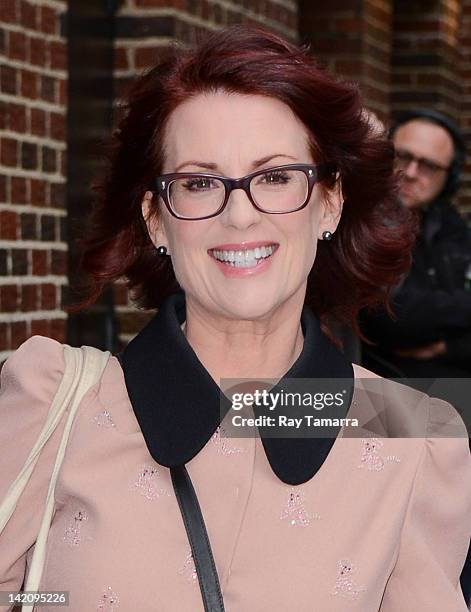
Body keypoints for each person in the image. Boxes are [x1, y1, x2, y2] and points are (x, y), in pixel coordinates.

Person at [1, 27, 470, 611]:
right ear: (156, 218)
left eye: (275, 177)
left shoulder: (413, 436)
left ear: (329, 202)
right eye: (200, 183)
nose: (240, 215)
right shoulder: (51, 403)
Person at [361, 109, 471, 380]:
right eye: (403, 156)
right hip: (389, 390)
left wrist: (451, 346)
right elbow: (392, 318)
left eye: (428, 166)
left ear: (450, 178)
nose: (410, 173)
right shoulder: (360, 219)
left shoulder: (449, 225)